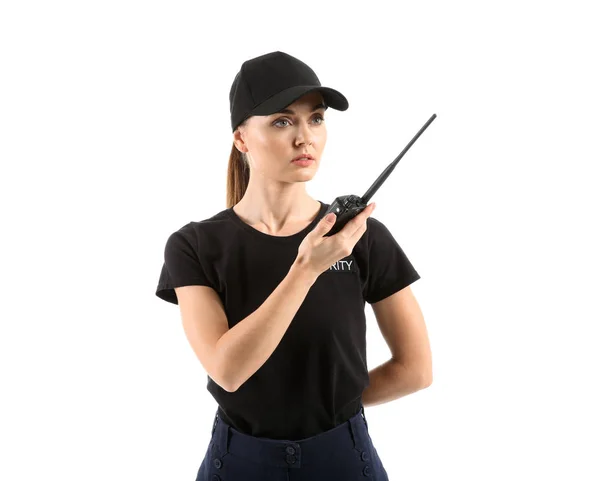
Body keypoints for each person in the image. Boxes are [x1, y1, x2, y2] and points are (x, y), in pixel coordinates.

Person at [155, 51, 424, 481]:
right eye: (282, 121)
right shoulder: (195, 246)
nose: (306, 138)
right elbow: (227, 371)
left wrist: (330, 406)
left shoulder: (362, 237)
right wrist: (306, 269)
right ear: (241, 138)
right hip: (241, 463)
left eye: (316, 118)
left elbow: (416, 369)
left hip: (342, 457)